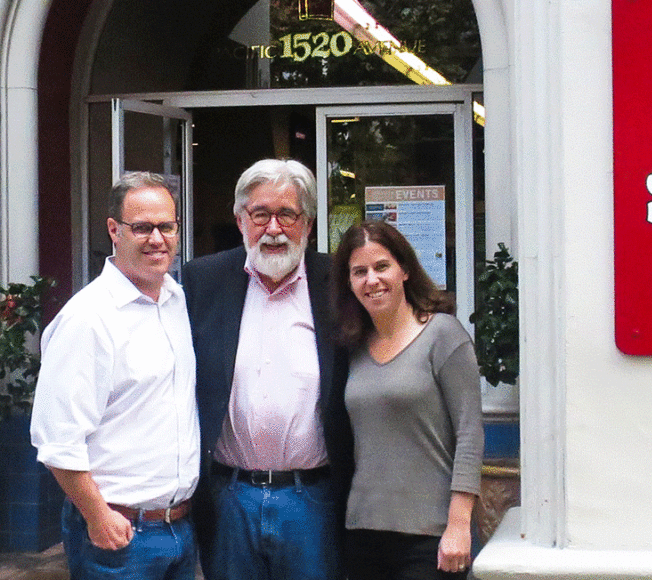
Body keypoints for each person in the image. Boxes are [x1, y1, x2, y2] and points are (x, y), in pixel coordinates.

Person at [182, 158, 353, 580]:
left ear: (308, 224)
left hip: (312, 500)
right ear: (241, 220)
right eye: (260, 215)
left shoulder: (338, 284)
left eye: (287, 214)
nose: (273, 229)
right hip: (228, 498)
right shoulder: (203, 280)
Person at [30, 172, 199, 580]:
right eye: (142, 227)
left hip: (179, 528)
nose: (157, 239)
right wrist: (97, 516)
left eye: (167, 226)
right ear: (114, 230)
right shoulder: (88, 319)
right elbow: (57, 439)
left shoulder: (175, 300)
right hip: (119, 537)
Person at [332, 220, 484, 580]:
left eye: (382, 266)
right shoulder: (351, 349)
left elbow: (470, 434)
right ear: (349, 283)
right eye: (359, 271)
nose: (372, 279)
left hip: (429, 537)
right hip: (363, 533)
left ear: (405, 270)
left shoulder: (443, 335)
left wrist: (459, 525)